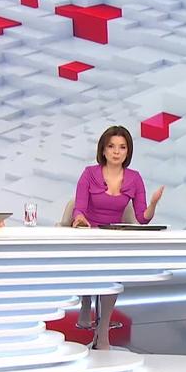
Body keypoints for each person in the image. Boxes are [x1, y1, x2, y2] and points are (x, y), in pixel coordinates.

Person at [71, 125, 164, 350]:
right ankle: (86, 299)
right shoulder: (89, 174)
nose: (116, 151)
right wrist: (80, 220)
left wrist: (153, 204)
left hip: (113, 236)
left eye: (122, 147)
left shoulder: (134, 178)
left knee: (112, 268)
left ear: (128, 151)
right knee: (91, 259)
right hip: (89, 234)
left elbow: (142, 219)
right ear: (103, 150)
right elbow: (79, 208)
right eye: (111, 146)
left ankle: (102, 331)